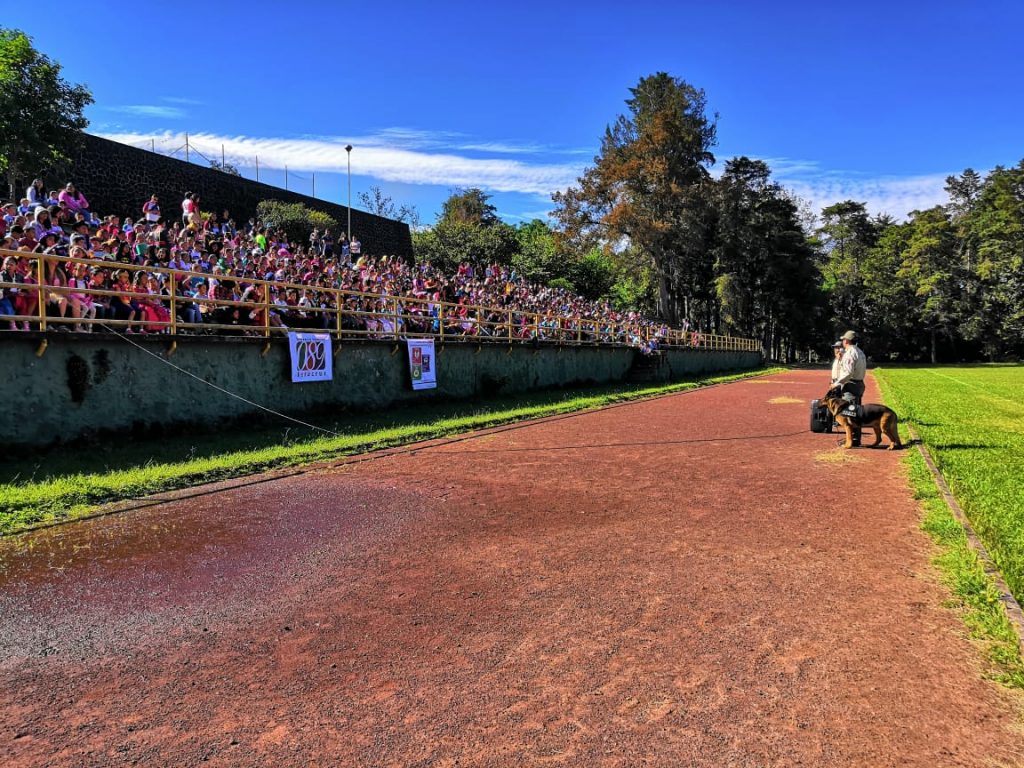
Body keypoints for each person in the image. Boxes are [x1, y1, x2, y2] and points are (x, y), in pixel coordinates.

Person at [831, 329, 866, 444]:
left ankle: (852, 439)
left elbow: (848, 373)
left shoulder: (850, 353)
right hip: (859, 383)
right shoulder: (860, 352)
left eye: (843, 340)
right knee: (856, 411)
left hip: (851, 385)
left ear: (846, 340)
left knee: (849, 413)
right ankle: (855, 437)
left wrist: (836, 383)